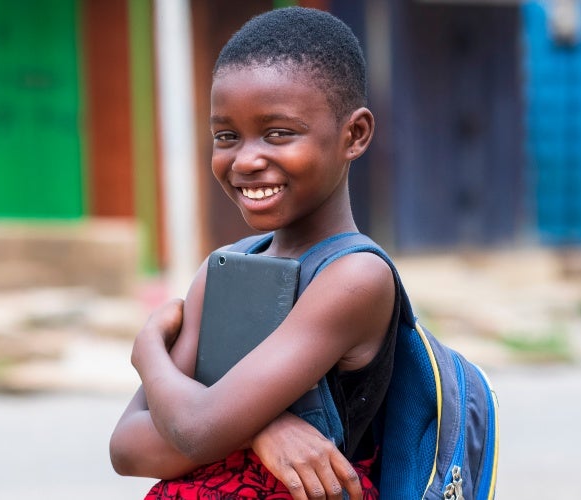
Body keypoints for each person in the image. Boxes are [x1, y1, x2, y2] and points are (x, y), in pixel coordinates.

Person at [110, 7, 396, 500]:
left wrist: (148, 353)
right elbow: (128, 447)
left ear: (354, 135)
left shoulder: (353, 278)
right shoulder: (225, 268)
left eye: (279, 133)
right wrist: (264, 429)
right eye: (226, 136)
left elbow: (196, 430)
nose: (245, 159)